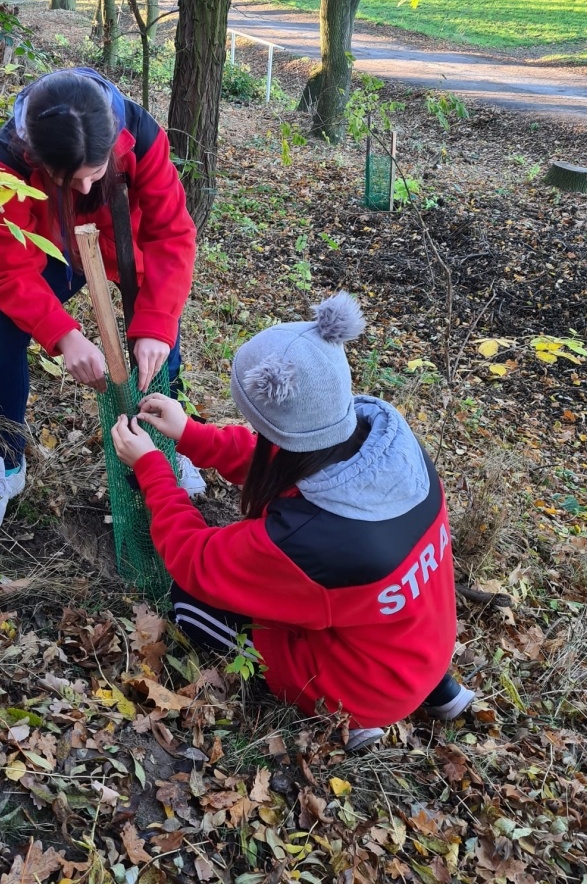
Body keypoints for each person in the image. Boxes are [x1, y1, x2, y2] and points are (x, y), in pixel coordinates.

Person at [110, 292, 474, 750]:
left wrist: (151, 469)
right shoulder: (388, 446)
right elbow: (286, 462)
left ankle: (354, 717)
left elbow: (195, 560)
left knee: (189, 601)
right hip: (425, 644)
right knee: (370, 608)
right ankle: (439, 690)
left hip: (365, 684)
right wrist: (191, 435)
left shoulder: (309, 540)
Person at [0, 67, 204, 535]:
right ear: (37, 158)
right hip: (53, 249)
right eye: (67, 179)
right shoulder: (5, 166)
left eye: (94, 173)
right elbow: (9, 269)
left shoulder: (140, 135)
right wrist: (64, 336)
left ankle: (169, 446)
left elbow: (171, 234)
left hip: (122, 242)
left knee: (160, 339)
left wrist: (155, 324)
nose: (81, 189)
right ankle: (5, 461)